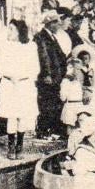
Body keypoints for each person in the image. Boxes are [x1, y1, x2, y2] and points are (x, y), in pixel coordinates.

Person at [0, 19, 40, 160]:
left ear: (19, 31)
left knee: (22, 115)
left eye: (12, 29)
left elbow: (34, 67)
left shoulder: (30, 47)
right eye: (8, 29)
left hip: (24, 84)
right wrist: (9, 75)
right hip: (9, 84)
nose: (9, 32)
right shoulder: (4, 46)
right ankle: (11, 146)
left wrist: (23, 77)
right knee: (11, 115)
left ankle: (19, 146)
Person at [33, 9, 66, 139]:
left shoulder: (51, 37)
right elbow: (43, 57)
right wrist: (46, 74)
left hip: (55, 76)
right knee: (46, 103)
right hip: (47, 77)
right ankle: (43, 130)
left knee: (52, 102)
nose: (59, 24)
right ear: (50, 23)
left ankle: (49, 129)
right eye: (57, 22)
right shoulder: (40, 37)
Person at [59, 58, 87, 135]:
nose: (77, 71)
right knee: (70, 125)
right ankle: (70, 139)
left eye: (79, 69)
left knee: (80, 124)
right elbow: (63, 95)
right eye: (74, 68)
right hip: (71, 105)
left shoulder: (79, 81)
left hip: (79, 104)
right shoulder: (66, 80)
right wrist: (65, 100)